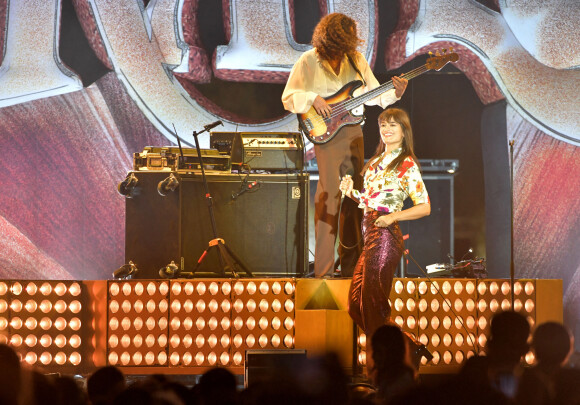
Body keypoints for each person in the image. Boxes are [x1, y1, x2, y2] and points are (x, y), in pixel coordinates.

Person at [282, 13, 408, 278]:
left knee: (354, 200)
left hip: (353, 134)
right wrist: (312, 98)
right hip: (326, 137)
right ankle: (324, 271)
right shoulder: (308, 61)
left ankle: (351, 267)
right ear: (328, 38)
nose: (344, 47)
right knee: (328, 198)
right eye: (339, 41)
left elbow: (375, 93)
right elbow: (289, 97)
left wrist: (396, 92)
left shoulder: (356, 60)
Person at [339, 108, 429, 336]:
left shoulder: (406, 163)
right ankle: (406, 348)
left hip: (386, 235)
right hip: (370, 233)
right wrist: (351, 192)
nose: (386, 129)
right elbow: (370, 201)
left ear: (403, 130)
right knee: (355, 306)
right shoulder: (375, 161)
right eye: (383, 125)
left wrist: (393, 216)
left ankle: (385, 361)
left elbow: (424, 207)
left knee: (372, 307)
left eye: (393, 125)